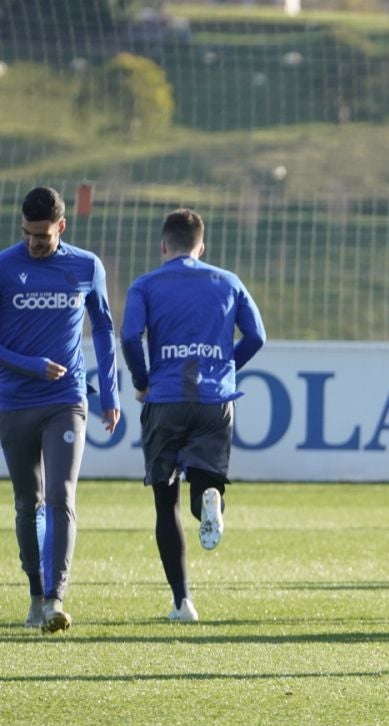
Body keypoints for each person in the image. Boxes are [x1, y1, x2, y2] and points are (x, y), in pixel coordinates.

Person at [121, 207, 267, 623]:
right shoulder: (227, 281)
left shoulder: (146, 284)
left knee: (165, 503)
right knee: (205, 486)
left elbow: (130, 336)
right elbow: (257, 335)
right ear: (201, 247)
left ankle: (182, 602)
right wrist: (226, 367)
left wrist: (142, 378)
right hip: (213, 399)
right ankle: (211, 499)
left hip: (165, 397)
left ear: (164, 245)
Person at [0, 186, 120, 633]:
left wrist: (110, 394)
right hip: (14, 401)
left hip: (67, 399)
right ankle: (34, 593)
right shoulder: (5, 267)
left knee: (61, 496)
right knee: (26, 502)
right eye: (29, 234)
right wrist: (29, 365)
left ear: (62, 227)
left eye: (44, 236)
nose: (35, 243)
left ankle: (55, 599)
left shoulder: (85, 265)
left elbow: (105, 328)